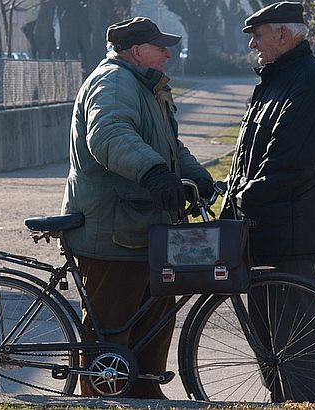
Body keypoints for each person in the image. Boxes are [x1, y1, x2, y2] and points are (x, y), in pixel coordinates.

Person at [60, 16, 213, 399]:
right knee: (111, 328)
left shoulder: (145, 85)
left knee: (155, 318)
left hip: (143, 227)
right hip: (113, 231)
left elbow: (171, 147)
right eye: (160, 46)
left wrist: (199, 177)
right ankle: (102, 399)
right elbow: (110, 136)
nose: (168, 53)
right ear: (135, 51)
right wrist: (156, 175)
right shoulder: (113, 82)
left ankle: (146, 394)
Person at [221, 1, 315, 403]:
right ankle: (283, 402)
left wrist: (240, 195)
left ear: (283, 35)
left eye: (258, 35)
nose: (253, 44)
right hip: (263, 231)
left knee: (294, 347)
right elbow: (250, 156)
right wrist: (230, 192)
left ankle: (306, 404)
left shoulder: (310, 81)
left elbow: (292, 162)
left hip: (291, 233)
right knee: (270, 347)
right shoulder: (275, 80)